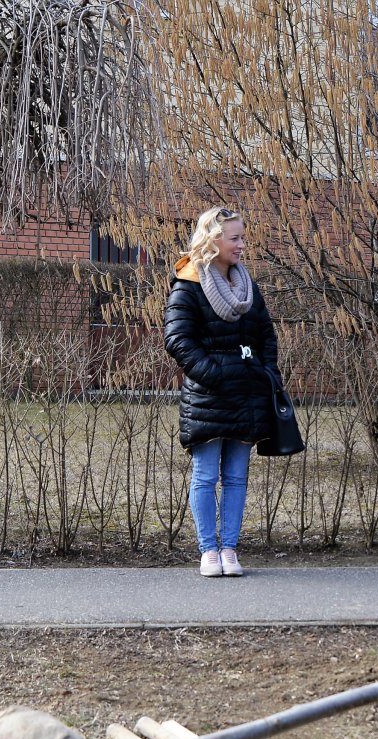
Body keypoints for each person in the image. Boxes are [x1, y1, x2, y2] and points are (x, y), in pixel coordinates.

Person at [165, 206, 282, 578]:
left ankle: (229, 549)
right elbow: (178, 340)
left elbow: (266, 335)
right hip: (209, 396)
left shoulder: (247, 285)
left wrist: (265, 373)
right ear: (213, 240)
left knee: (235, 477)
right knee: (205, 476)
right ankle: (208, 551)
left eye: (242, 237)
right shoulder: (188, 283)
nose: (242, 245)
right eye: (235, 238)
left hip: (246, 392)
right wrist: (213, 375)